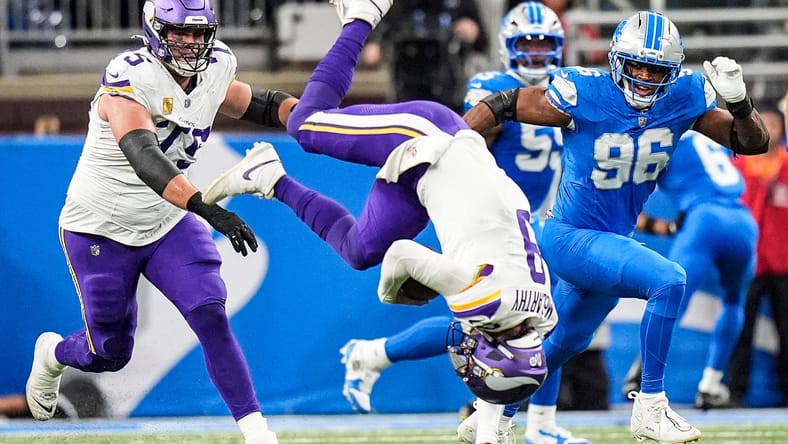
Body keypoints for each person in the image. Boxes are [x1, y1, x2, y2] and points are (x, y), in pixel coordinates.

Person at [202, 1, 560, 442]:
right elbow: (403, 255)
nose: (473, 363)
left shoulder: (539, 321)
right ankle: (363, 15)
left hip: (432, 179)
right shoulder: (489, 304)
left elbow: (503, 362)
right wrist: (392, 294)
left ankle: (268, 178)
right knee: (307, 126)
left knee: (360, 250)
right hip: (431, 138)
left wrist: (487, 435)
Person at [463, 9, 769, 444]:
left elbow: (752, 142)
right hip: (569, 236)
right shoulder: (584, 92)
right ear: (616, 60)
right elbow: (504, 103)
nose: (644, 76)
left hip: (612, 238)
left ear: (672, 72)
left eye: (655, 69)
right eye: (636, 65)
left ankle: (495, 412)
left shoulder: (684, 97)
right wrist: (456, 145)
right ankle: (651, 407)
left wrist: (739, 103)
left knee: (562, 344)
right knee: (668, 279)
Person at [23, 1, 299, 443]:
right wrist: (209, 208)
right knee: (109, 352)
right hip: (101, 226)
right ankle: (53, 354)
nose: (191, 43)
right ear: (155, 32)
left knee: (210, 312)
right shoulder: (130, 78)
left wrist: (308, 118)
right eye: (180, 32)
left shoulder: (215, 67)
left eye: (199, 33)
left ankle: (256, 431)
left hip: (167, 220)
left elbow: (258, 104)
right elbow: (145, 158)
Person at [336, 3, 589, 444]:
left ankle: (512, 421)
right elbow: (469, 147)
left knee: (523, 323)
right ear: (507, 47)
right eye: (527, 44)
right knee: (495, 323)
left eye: (544, 44)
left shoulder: (567, 90)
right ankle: (518, 421)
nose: (535, 53)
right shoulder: (492, 87)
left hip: (533, 220)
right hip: (488, 220)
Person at [620, 130, 758, 411]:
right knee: (734, 302)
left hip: (703, 220)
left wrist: (660, 227)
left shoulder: (660, 137)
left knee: (671, 299)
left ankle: (641, 377)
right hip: (743, 221)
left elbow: (624, 204)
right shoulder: (707, 135)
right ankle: (711, 384)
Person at [727, 106, 788, 407]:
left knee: (786, 329)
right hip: (747, 261)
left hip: (784, 263)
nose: (769, 130)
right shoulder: (735, 168)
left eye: (774, 124)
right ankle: (735, 392)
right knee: (740, 328)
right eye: (764, 124)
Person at [360, 0, 488, 112]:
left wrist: (472, 31)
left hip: (449, 84)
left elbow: (483, 43)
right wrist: (374, 43)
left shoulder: (459, 3)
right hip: (406, 83)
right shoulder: (396, 4)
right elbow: (373, 42)